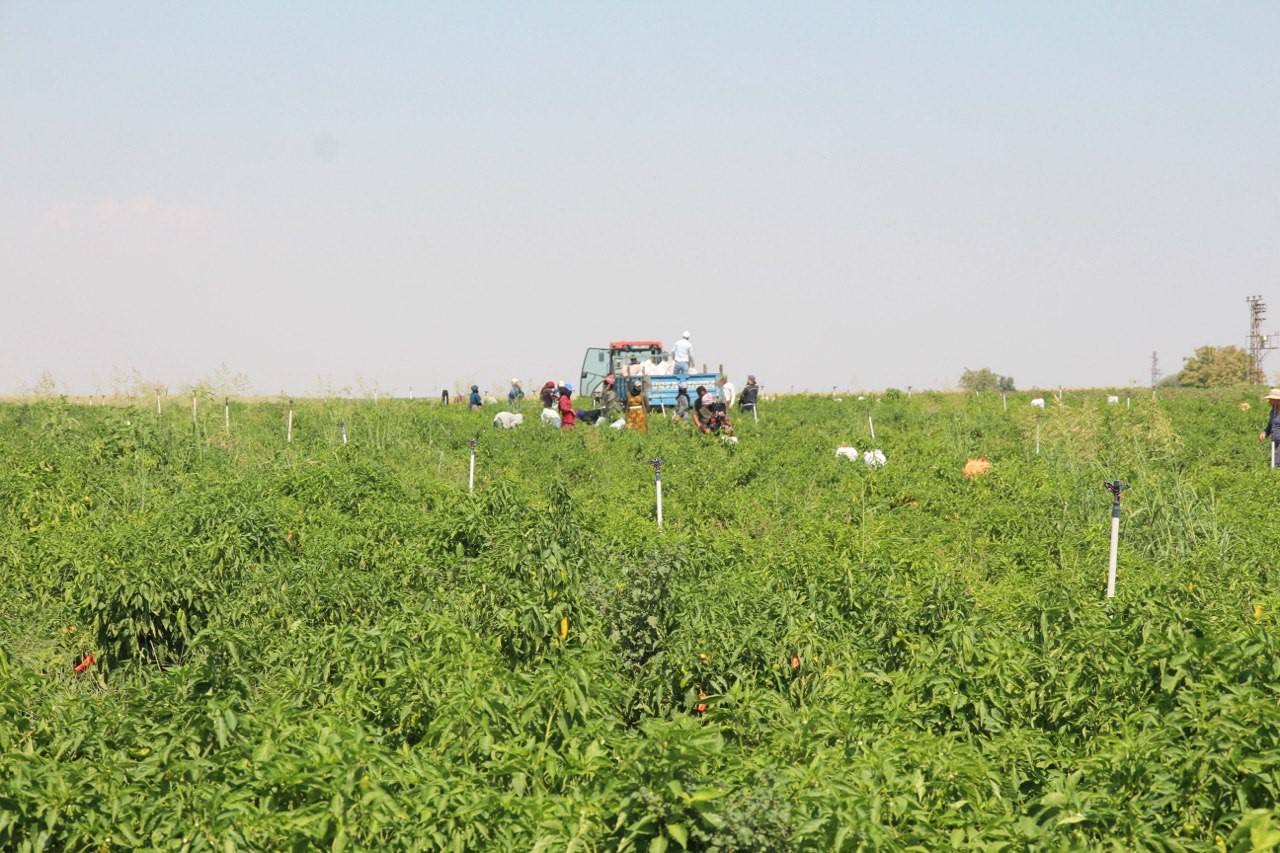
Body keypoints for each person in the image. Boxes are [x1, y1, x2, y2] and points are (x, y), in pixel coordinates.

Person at [1259, 389, 1280, 466]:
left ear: (1276, 400)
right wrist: (1265, 433)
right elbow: (1270, 425)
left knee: (1277, 463)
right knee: (1274, 463)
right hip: (1275, 440)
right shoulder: (1273, 411)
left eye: (1270, 400)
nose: (1269, 401)